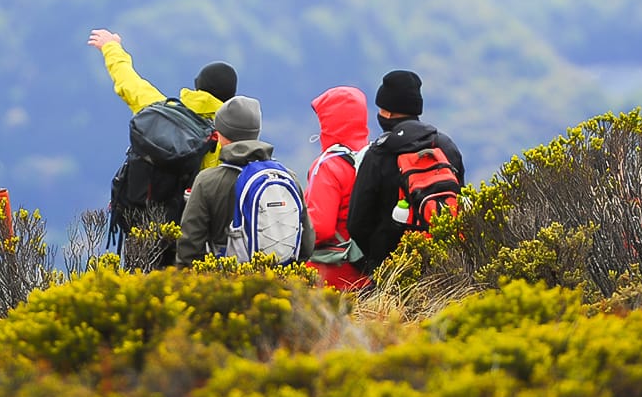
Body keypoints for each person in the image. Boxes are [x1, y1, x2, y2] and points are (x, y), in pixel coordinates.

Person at [346, 70, 465, 277]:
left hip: (393, 269)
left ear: (388, 112)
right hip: (446, 264)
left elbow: (357, 223)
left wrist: (378, 256)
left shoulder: (379, 153)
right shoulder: (446, 147)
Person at [176, 96, 315, 266]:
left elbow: (189, 247)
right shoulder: (287, 177)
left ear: (220, 135)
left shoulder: (207, 181)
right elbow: (306, 244)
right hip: (281, 285)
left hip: (226, 284)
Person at [87, 27, 237, 173]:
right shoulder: (231, 139)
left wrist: (111, 47)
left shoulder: (161, 111)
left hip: (150, 198)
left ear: (197, 86)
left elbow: (128, 82)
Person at [304, 85, 371, 290]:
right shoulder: (374, 158)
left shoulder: (328, 165)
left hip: (331, 275)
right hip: (368, 274)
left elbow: (320, 229)